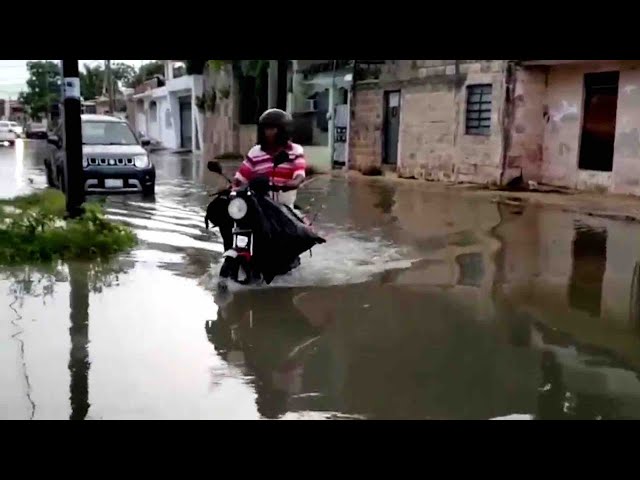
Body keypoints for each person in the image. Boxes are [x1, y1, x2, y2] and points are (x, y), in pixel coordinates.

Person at [233, 109, 307, 209]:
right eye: (266, 129)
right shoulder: (255, 152)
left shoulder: (295, 150)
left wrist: (294, 183)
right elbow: (241, 177)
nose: (268, 133)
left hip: (284, 208)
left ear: (283, 130)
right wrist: (233, 188)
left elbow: (299, 172)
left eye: (272, 129)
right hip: (258, 207)